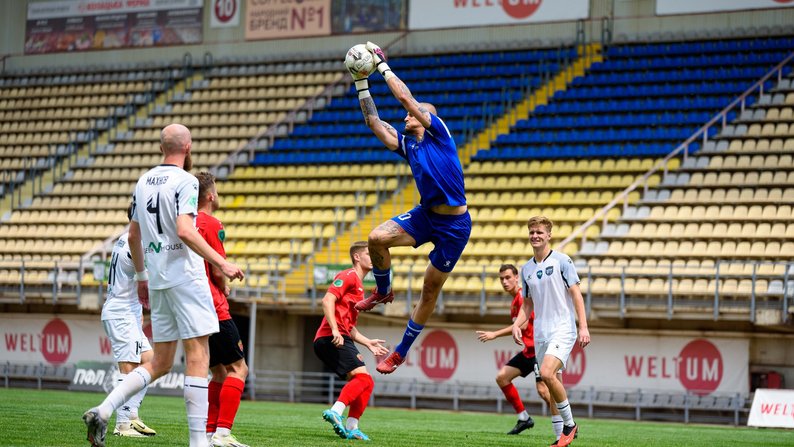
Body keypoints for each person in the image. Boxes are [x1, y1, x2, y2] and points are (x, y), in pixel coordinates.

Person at [83, 123, 245, 447]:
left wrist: (142, 279)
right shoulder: (186, 181)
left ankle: (104, 408)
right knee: (198, 356)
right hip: (186, 276)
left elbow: (133, 234)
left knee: (160, 363)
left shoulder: (142, 182)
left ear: (161, 148)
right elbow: (185, 230)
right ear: (188, 147)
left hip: (157, 280)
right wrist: (222, 262)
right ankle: (199, 442)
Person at [349, 41, 471, 375]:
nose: (404, 116)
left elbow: (405, 99)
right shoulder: (409, 145)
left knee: (430, 289)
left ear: (424, 116)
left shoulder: (439, 134)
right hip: (426, 215)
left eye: (411, 114)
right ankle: (383, 292)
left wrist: (382, 65)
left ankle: (400, 352)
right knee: (375, 238)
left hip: (455, 226)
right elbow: (375, 123)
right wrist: (361, 83)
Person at [512, 216, 590, 447]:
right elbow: (527, 304)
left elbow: (576, 294)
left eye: (539, 232)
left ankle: (570, 424)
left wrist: (583, 326)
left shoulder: (562, 261)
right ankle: (559, 438)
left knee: (546, 373)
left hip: (563, 328)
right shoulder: (526, 269)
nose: (535, 235)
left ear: (549, 235)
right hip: (541, 333)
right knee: (552, 381)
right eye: (531, 232)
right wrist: (518, 324)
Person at [475, 264, 561, 438]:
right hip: (528, 351)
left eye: (508, 277)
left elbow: (519, 325)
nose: (504, 282)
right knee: (502, 377)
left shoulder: (522, 298)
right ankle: (524, 418)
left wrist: (494, 334)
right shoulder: (515, 301)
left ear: (516, 278)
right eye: (501, 279)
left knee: (544, 391)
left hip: (538, 350)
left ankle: (567, 423)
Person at [195, 171, 249, 447]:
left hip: (192, 304)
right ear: (210, 195)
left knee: (217, 371)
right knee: (239, 369)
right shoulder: (212, 223)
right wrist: (224, 283)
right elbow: (217, 269)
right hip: (214, 305)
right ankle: (223, 433)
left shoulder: (187, 222)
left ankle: (208, 432)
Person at [314, 241, 389, 441]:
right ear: (357, 257)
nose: (373, 258)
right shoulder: (348, 276)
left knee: (366, 382)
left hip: (339, 335)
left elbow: (350, 326)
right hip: (331, 337)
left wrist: (367, 342)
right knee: (363, 379)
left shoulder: (359, 286)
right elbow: (327, 300)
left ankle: (352, 427)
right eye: (368, 254)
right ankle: (336, 411)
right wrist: (335, 330)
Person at [99, 204, 157, 438]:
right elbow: (149, 281)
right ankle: (122, 423)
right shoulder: (136, 245)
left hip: (125, 311)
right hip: (121, 313)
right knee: (130, 367)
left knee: (152, 361)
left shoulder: (124, 239)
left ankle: (131, 415)